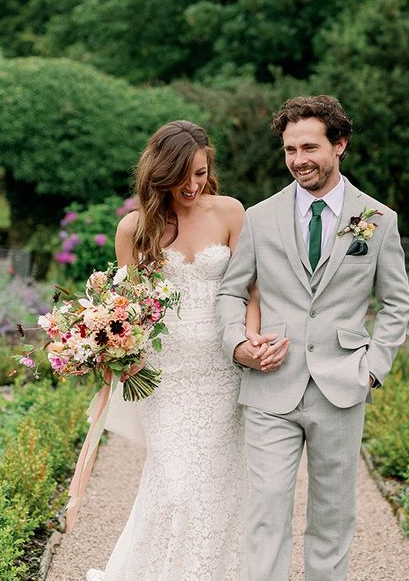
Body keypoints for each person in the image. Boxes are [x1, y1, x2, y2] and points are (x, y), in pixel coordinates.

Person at [216, 95, 409, 581]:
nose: (299, 160)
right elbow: (230, 290)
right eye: (289, 150)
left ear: (339, 144)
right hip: (269, 386)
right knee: (267, 509)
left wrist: (373, 368)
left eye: (309, 147)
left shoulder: (378, 219)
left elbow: (396, 303)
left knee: (332, 514)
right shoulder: (260, 217)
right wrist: (238, 344)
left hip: (342, 387)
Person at [87, 120, 288, 581]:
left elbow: (249, 291)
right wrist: (114, 344)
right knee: (175, 483)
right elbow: (130, 305)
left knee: (221, 483)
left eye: (201, 173)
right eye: (183, 175)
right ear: (161, 171)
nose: (193, 185)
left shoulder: (232, 212)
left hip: (223, 368)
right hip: (167, 374)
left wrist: (249, 342)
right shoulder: (134, 229)